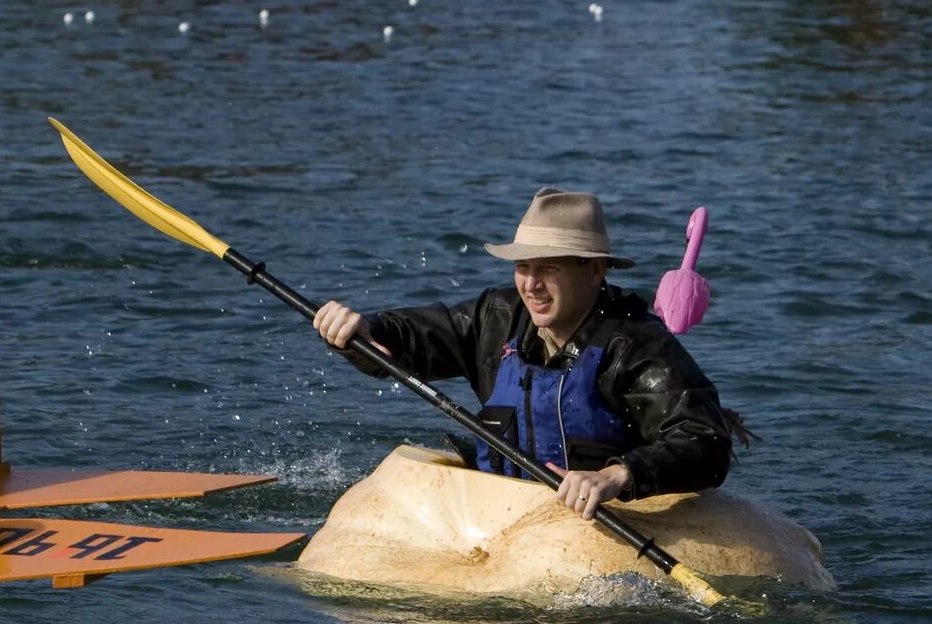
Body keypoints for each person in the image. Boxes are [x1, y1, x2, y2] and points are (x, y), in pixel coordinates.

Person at [307, 190, 734, 516]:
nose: (530, 285)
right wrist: (363, 329)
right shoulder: (497, 317)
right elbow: (411, 338)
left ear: (595, 270)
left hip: (602, 518)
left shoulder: (637, 343)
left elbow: (705, 440)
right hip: (503, 510)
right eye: (522, 268)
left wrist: (617, 475)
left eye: (548, 268)